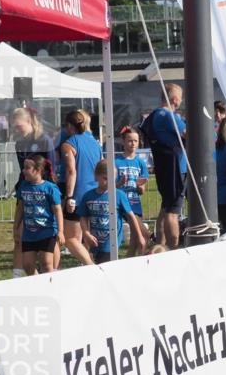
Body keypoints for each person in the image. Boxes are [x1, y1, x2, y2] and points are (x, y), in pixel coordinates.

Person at [142, 83, 187, 248]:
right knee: (172, 212)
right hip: (175, 169)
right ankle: (173, 249)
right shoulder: (167, 115)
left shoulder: (155, 115)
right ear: (175, 99)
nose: (181, 102)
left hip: (166, 168)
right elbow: (189, 133)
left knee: (166, 208)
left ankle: (159, 246)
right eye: (181, 98)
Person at [78, 160, 146, 265]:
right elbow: (83, 217)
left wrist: (140, 236)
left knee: (105, 265)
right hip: (94, 241)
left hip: (111, 242)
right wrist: (86, 234)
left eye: (112, 178)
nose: (109, 182)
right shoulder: (88, 196)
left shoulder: (118, 195)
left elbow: (131, 216)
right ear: (96, 176)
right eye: (105, 178)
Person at [58, 109, 101, 266]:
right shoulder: (95, 143)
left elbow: (71, 171)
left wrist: (69, 196)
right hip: (94, 192)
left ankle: (91, 266)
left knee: (71, 239)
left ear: (69, 126)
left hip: (78, 195)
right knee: (85, 235)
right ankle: (88, 264)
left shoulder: (68, 144)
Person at [13, 156, 64, 275]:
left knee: (46, 263)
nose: (23, 171)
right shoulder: (24, 186)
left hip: (47, 232)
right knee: (27, 265)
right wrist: (15, 227)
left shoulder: (50, 188)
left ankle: (49, 287)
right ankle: (38, 284)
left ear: (38, 170)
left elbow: (58, 210)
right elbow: (20, 208)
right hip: (29, 234)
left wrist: (60, 231)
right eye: (24, 167)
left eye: (27, 168)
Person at [115, 128, 150, 255]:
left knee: (135, 238)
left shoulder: (140, 162)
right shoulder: (116, 162)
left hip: (135, 202)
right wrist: (119, 183)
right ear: (123, 142)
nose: (133, 144)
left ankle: (129, 261)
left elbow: (142, 190)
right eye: (130, 141)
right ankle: (141, 262)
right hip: (123, 203)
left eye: (135, 141)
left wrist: (140, 187)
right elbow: (109, 186)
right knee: (144, 235)